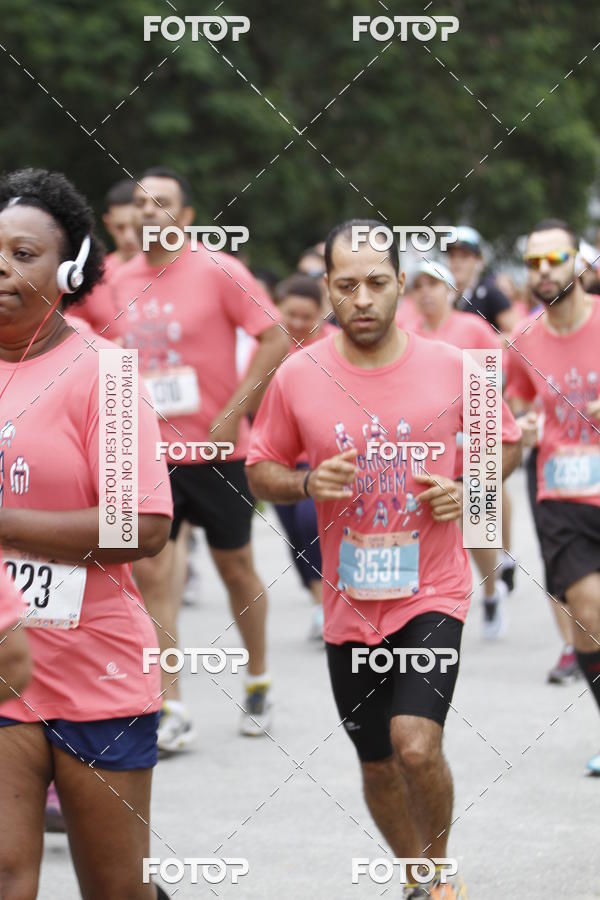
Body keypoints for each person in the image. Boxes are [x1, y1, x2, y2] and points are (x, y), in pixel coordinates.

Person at [246, 219, 522, 899]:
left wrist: (472, 489)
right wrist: (308, 483)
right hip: (349, 603)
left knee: (414, 744)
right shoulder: (297, 376)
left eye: (376, 282)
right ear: (329, 290)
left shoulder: (455, 368)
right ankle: (416, 875)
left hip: (432, 589)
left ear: (402, 283)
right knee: (374, 763)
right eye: (346, 285)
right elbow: (261, 468)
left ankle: (440, 875)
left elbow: (507, 443)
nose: (362, 298)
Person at [0, 168, 173, 898]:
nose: (2, 267)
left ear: (70, 269)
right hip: (3, 669)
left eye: (23, 253)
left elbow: (144, 523)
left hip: (98, 671)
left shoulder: (106, 375)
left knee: (113, 887)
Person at [98, 166, 289, 748]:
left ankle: (257, 677)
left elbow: (275, 336)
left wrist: (234, 410)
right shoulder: (113, 279)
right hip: (148, 455)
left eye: (162, 203)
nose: (148, 211)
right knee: (154, 574)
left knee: (236, 570)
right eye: (139, 202)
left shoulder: (219, 270)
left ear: (185, 218)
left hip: (217, 452)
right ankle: (170, 703)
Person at [505, 218, 600, 774]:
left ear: (577, 263)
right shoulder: (522, 340)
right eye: (534, 262)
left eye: (555, 259)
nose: (544, 271)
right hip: (561, 492)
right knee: (586, 610)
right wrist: (522, 421)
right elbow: (513, 402)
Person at [410, 260, 511, 638]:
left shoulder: (473, 328)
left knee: (477, 529)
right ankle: (427, 604)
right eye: (418, 286)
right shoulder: (407, 332)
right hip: (428, 446)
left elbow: (494, 383)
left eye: (433, 284)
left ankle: (489, 589)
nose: (425, 292)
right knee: (430, 520)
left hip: (474, 440)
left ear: (450, 290)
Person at [271, 273, 338, 639]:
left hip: (321, 455)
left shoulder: (335, 347)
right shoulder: (268, 346)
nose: (297, 323)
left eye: (306, 316)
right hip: (279, 457)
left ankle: (332, 602)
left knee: (311, 521)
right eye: (290, 314)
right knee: (296, 534)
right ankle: (321, 604)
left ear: (321, 314)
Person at [76, 180, 140, 335]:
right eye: (120, 227)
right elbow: (71, 340)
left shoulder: (171, 272)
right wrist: (114, 354)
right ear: (109, 224)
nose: (129, 237)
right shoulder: (92, 276)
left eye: (135, 226)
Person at [447, 226, 517, 334]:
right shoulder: (445, 295)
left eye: (464, 256)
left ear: (479, 260)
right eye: (452, 256)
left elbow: (517, 334)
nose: (457, 262)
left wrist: (483, 345)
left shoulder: (490, 293)